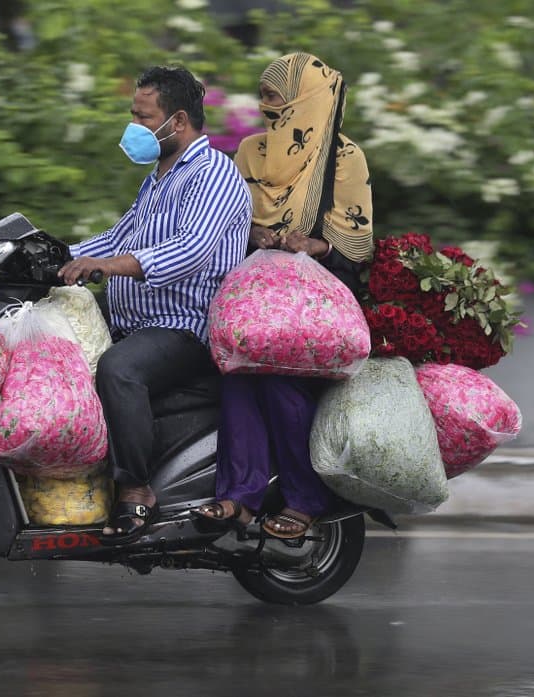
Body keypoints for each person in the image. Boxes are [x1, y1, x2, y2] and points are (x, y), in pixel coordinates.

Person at [59, 65, 252, 544]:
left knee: (119, 370)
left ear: (179, 122)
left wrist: (106, 267)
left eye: (144, 119)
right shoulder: (159, 179)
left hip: (184, 329)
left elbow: (190, 250)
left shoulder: (215, 175)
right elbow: (116, 236)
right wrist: (53, 254)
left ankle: (136, 489)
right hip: (138, 321)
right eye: (134, 115)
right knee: (55, 343)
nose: (135, 128)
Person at [192, 52, 375, 539]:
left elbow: (356, 248)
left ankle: (305, 500)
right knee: (236, 377)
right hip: (252, 301)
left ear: (305, 99)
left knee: (277, 384)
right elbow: (225, 217)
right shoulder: (251, 151)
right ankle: (237, 497)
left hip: (315, 308)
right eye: (263, 94)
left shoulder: (344, 159)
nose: (264, 104)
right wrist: (253, 231)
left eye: (275, 95)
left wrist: (313, 245)